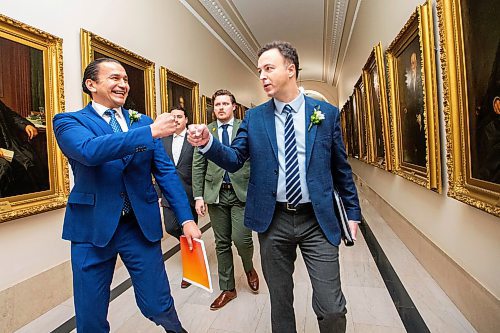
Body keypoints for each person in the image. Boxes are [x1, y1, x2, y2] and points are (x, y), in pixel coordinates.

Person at [188, 41, 361, 333]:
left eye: (269, 68)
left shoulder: (326, 114)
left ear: (290, 69)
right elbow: (234, 159)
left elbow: (340, 168)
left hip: (318, 219)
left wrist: (353, 212)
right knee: (280, 301)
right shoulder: (254, 118)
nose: (263, 76)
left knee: (332, 307)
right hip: (274, 219)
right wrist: (207, 143)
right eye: (260, 71)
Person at [53, 58, 201, 333]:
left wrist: (186, 219)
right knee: (90, 315)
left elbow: (166, 173)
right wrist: (151, 132)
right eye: (114, 78)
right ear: (91, 84)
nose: (123, 84)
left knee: (158, 304)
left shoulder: (141, 122)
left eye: (125, 79)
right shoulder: (69, 122)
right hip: (91, 228)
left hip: (138, 226)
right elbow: (90, 151)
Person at [192, 89, 259, 310]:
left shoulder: (245, 127)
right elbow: (198, 164)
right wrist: (199, 195)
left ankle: (248, 267)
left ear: (233, 107)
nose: (220, 107)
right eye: (217, 104)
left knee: (242, 239)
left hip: (241, 192)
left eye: (225, 104)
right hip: (216, 193)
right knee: (221, 243)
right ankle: (228, 288)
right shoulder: (206, 131)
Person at [159, 105, 198, 289]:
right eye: (173, 116)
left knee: (189, 231)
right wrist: (159, 193)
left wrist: (200, 196)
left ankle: (191, 272)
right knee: (171, 227)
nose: (176, 120)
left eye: (180, 117)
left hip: (189, 193)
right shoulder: (163, 140)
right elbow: (157, 169)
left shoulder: (193, 140)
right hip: (168, 194)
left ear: (186, 120)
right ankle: (189, 245)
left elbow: (199, 169)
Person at [0, 99, 47, 197]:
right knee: (4, 168)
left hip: (7, 146)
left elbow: (11, 116)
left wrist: (26, 125)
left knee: (30, 159)